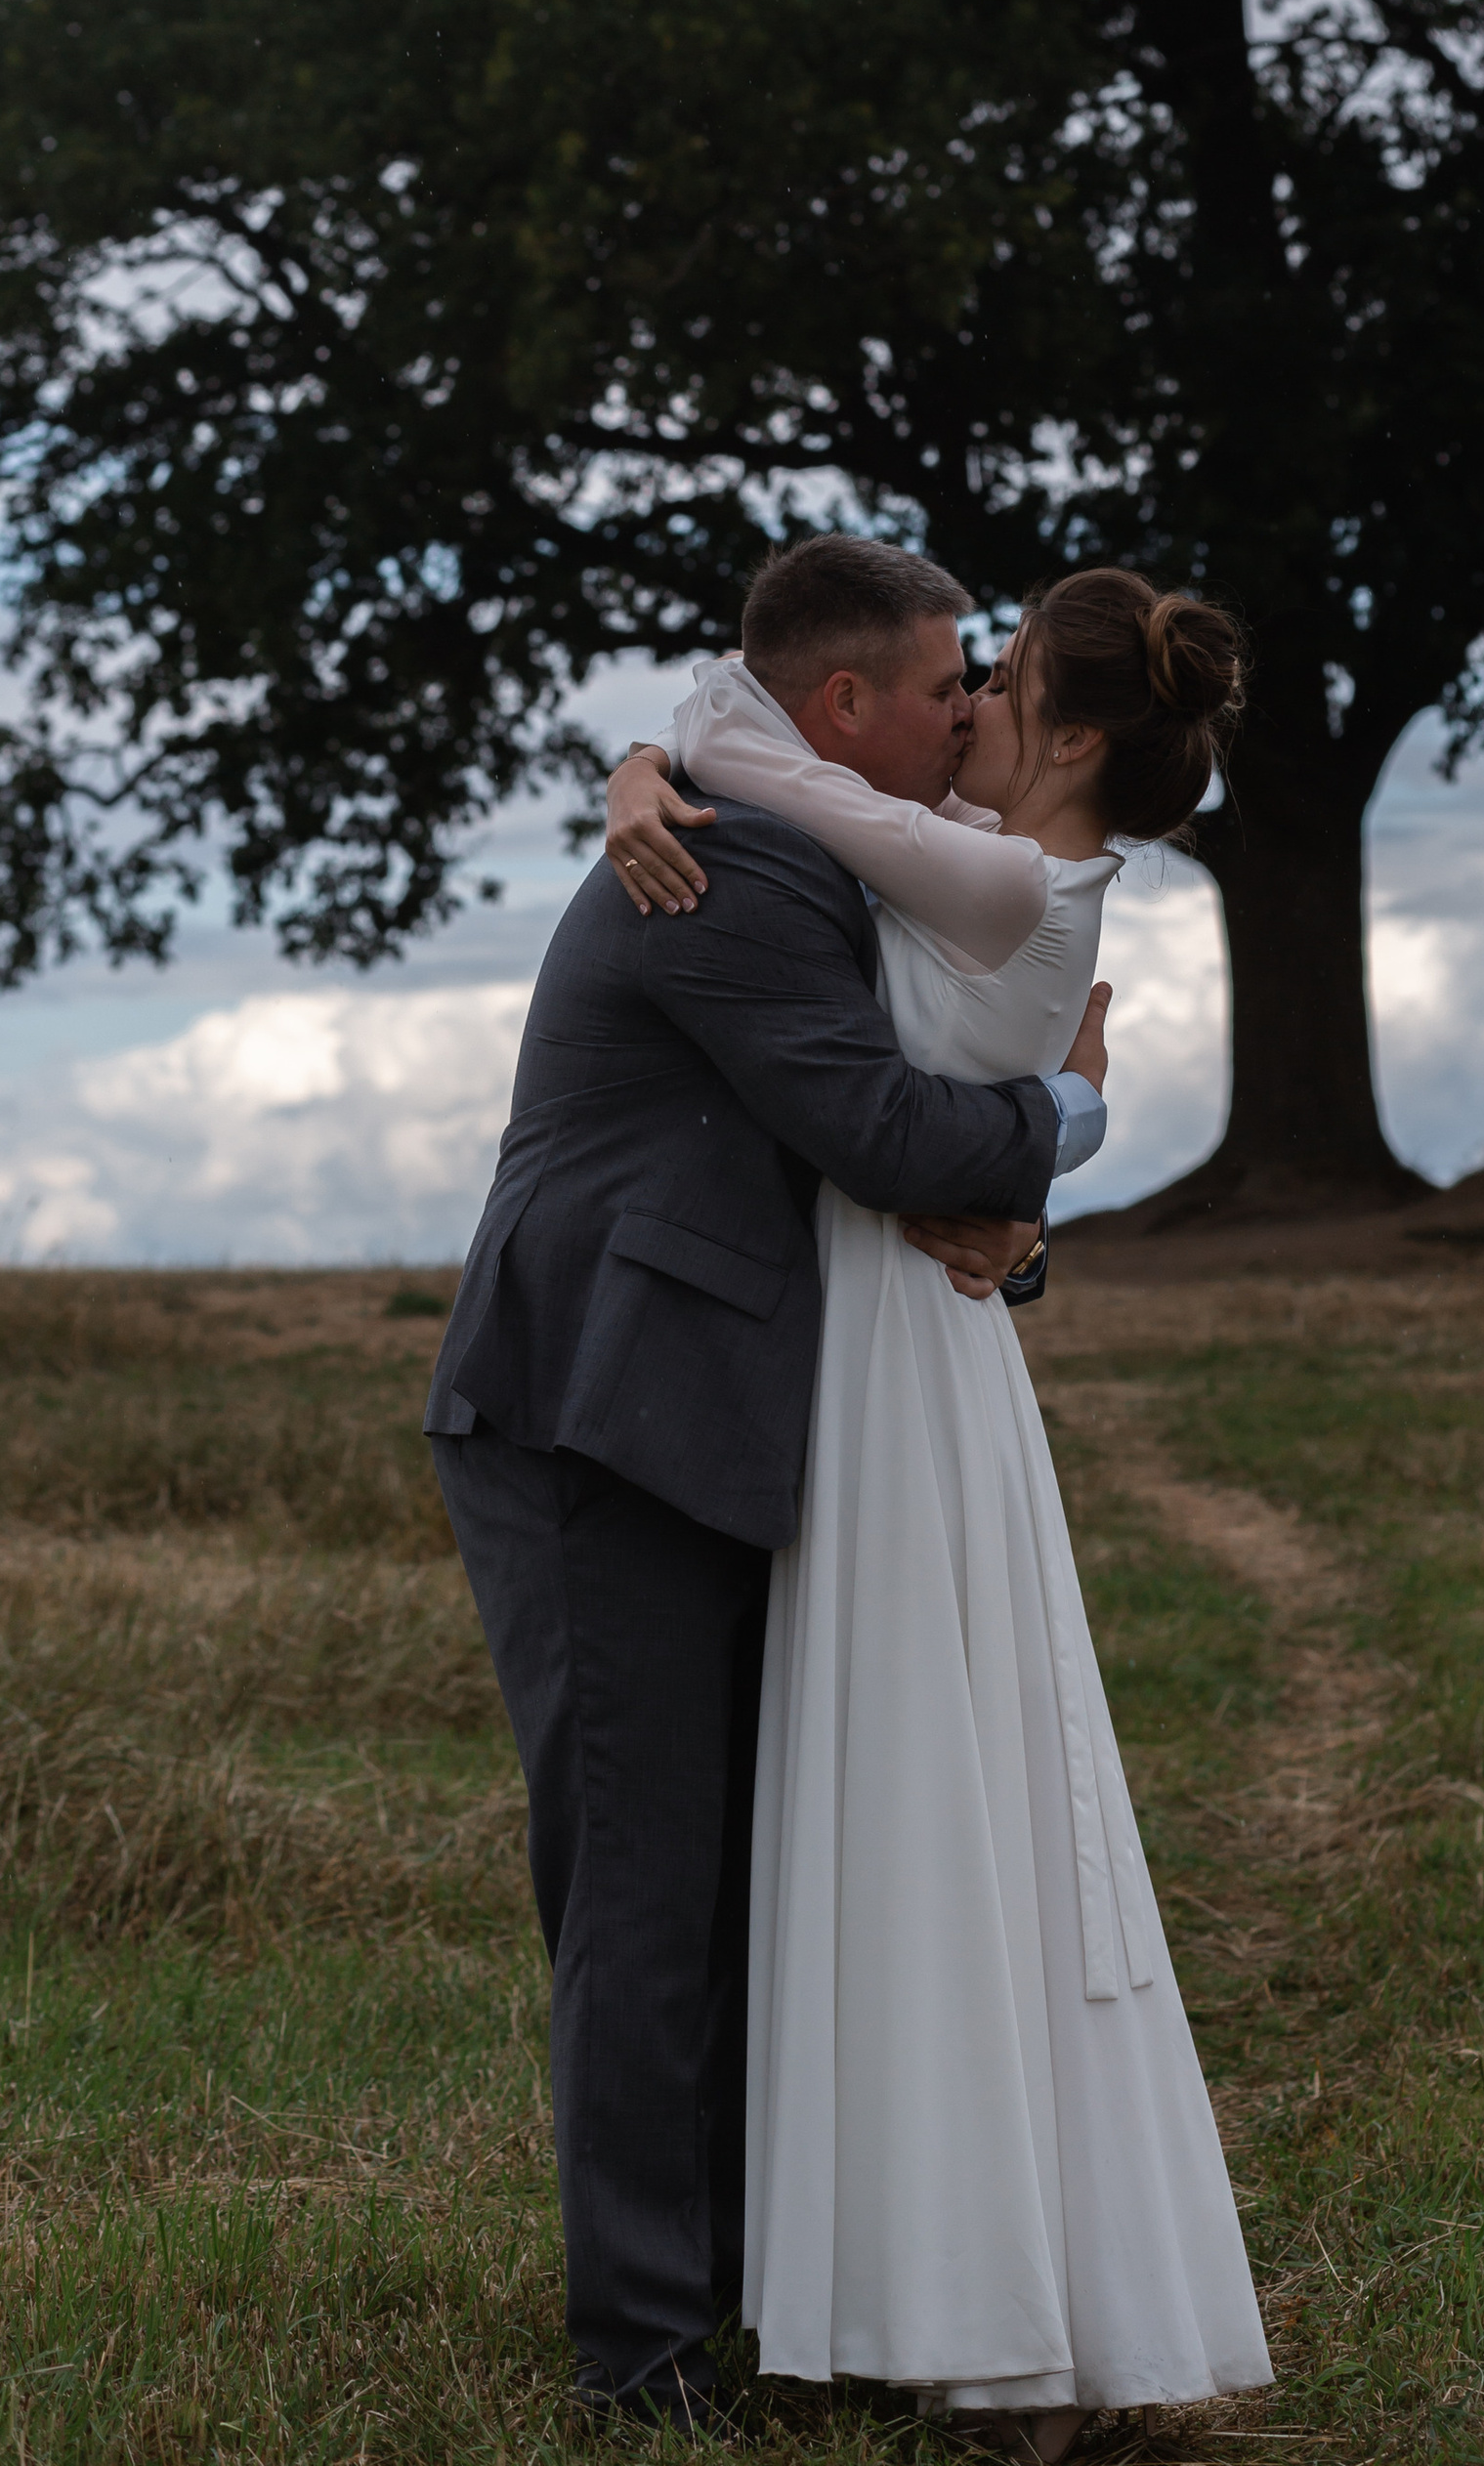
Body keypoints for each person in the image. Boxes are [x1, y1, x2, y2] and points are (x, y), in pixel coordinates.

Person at [424, 535, 1114, 2439]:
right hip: (600, 1412)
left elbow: (871, 1149)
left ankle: (744, 2285)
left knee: (741, 1879)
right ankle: (638, 2359)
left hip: (721, 1412)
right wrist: (1073, 1116)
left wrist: (1005, 1226)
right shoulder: (722, 864)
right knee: (647, 1888)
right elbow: (870, 1127)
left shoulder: (811, 839)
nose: (973, 709)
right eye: (950, 681)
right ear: (846, 706)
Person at [606, 566, 1272, 2457]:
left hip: (897, 1367)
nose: (961, 700)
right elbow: (764, 744)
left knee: (932, 1812)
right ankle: (947, 2284)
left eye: (996, 681)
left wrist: (661, 760)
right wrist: (641, 766)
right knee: (929, 1806)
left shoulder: (1000, 883)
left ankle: (995, 2318)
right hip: (894, 1351)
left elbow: (763, 751)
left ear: (1069, 735)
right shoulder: (1007, 868)